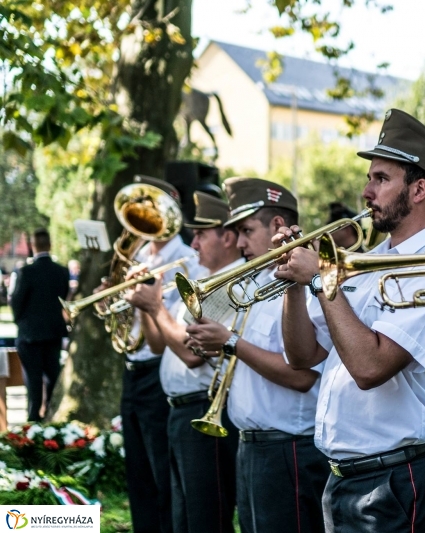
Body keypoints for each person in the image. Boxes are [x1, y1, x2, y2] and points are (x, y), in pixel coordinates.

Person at [275, 108, 425, 532]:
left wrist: (320, 279)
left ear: (418, 190)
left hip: (395, 480)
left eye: (380, 179)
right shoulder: (369, 262)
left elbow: (370, 367)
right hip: (348, 478)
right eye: (369, 178)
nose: (366, 191)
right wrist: (293, 284)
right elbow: (302, 355)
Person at [185, 178, 329, 533]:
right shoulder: (255, 284)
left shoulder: (309, 288)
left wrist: (231, 342)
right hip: (252, 446)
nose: (241, 242)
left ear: (278, 226)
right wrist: (214, 344)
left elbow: (303, 377)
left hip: (288, 450)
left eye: (247, 230)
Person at [125, 191, 240, 533]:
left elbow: (191, 355)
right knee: (183, 517)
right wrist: (147, 306)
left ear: (228, 237)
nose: (194, 243)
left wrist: (157, 306)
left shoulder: (229, 285)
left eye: (201, 234)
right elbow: (161, 345)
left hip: (201, 411)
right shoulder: (201, 282)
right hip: (179, 411)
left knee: (205, 518)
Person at [104, 175, 204, 533]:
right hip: (133, 368)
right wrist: (112, 297)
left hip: (159, 369)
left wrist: (148, 303)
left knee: (161, 469)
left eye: (154, 210)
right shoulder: (140, 253)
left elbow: (169, 328)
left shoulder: (186, 260)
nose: (146, 220)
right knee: (138, 470)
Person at [10, 228, 70, 422]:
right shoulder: (61, 271)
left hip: (30, 334)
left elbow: (17, 302)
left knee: (33, 381)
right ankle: (51, 416)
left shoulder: (26, 272)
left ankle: (34, 419)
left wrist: (21, 322)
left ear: (32, 246)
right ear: (50, 245)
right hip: (53, 333)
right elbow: (63, 296)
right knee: (52, 376)